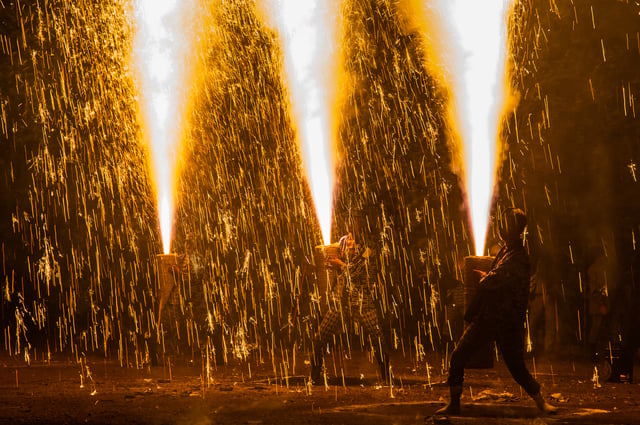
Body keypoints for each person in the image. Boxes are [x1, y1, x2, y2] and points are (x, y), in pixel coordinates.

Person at [436, 209, 557, 415]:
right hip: (489, 316)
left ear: (515, 230)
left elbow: (494, 280)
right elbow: (496, 277)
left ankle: (541, 403)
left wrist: (483, 277)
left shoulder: (518, 256)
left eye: (506, 225)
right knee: (458, 356)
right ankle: (454, 403)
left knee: (516, 367)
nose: (501, 229)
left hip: (506, 320)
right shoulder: (507, 251)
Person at [311, 233, 390, 384]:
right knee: (320, 338)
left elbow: (354, 271)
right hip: (340, 302)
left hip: (361, 302)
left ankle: (387, 376)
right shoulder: (343, 252)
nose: (349, 241)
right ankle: (314, 377)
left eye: (353, 238)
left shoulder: (367, 251)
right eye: (348, 238)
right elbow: (332, 270)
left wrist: (339, 265)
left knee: (377, 338)